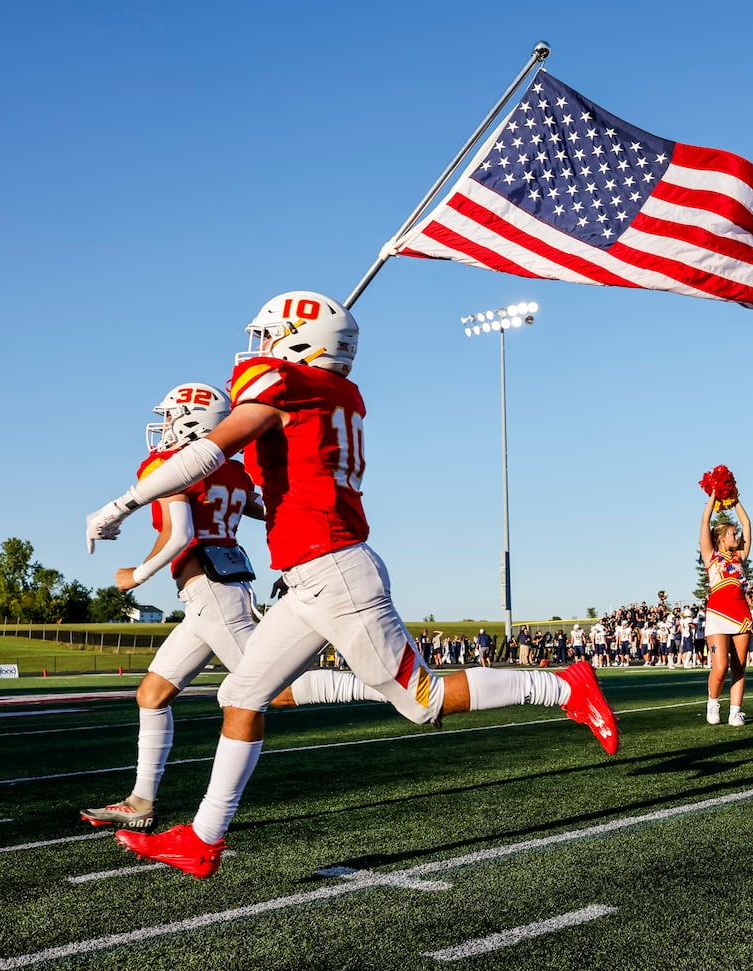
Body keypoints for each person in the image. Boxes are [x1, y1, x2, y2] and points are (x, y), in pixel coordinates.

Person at [84, 291, 618, 878]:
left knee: (424, 703)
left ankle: (563, 687)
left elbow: (208, 452)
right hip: (312, 572)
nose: (259, 348)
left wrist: (122, 504)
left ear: (299, 340)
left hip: (334, 569)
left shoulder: (293, 388)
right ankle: (202, 840)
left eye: (270, 336)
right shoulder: (328, 391)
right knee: (239, 694)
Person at [79, 383, 262, 832]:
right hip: (214, 592)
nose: (161, 427)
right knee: (152, 694)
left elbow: (179, 535)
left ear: (189, 420)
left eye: (169, 418)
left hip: (211, 592)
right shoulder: (234, 472)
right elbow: (268, 508)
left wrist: (136, 576)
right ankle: (141, 801)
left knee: (273, 690)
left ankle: (393, 688)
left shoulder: (168, 464)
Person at [700, 490, 752, 726]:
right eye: (733, 534)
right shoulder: (710, 555)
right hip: (717, 614)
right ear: (721, 537)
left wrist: (734, 498)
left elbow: (747, 523)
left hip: (741, 615)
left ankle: (735, 711)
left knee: (739, 666)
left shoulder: (739, 557)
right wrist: (714, 494)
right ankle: (713, 702)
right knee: (720, 666)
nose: (737, 535)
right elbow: (704, 520)